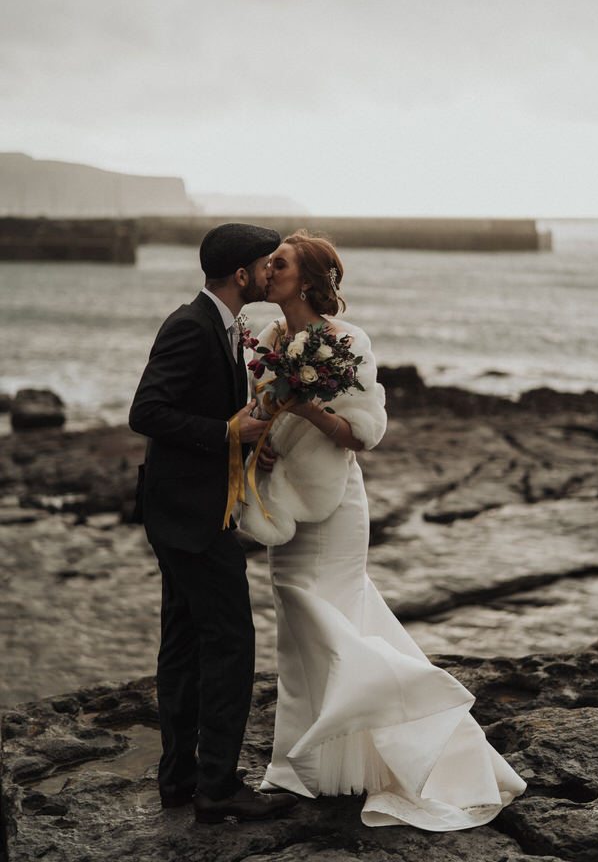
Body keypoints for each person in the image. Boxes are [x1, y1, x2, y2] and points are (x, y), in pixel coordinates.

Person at [240, 230, 527, 830]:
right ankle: (313, 768)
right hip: (283, 502)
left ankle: (411, 712)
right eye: (271, 264)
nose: (269, 271)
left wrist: (304, 406)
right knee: (296, 640)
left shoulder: (348, 341)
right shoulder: (267, 341)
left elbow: (363, 434)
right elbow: (263, 419)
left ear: (311, 280)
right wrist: (260, 450)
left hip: (335, 508)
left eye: (281, 264)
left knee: (326, 620)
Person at [129, 222, 297, 825]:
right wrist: (228, 432)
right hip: (189, 518)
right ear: (241, 274)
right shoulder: (190, 326)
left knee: (181, 645)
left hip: (186, 512)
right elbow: (146, 412)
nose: (271, 272)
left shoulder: (226, 328)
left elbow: (209, 413)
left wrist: (251, 447)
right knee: (230, 644)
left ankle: (178, 780)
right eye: (264, 264)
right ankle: (219, 788)